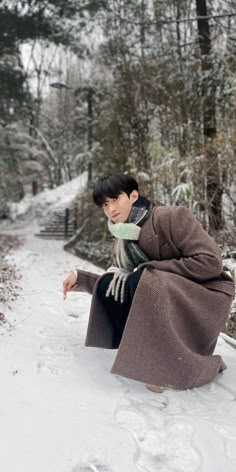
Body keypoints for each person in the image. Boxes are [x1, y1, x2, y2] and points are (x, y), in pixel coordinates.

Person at [63, 173, 235, 392]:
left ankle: (170, 365)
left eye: (115, 199)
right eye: (105, 204)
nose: (110, 208)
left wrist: (153, 267)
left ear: (133, 195)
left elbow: (211, 262)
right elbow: (123, 282)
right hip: (162, 290)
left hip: (205, 294)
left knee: (147, 278)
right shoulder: (121, 240)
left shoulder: (170, 217)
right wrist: (82, 278)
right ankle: (142, 348)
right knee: (113, 282)